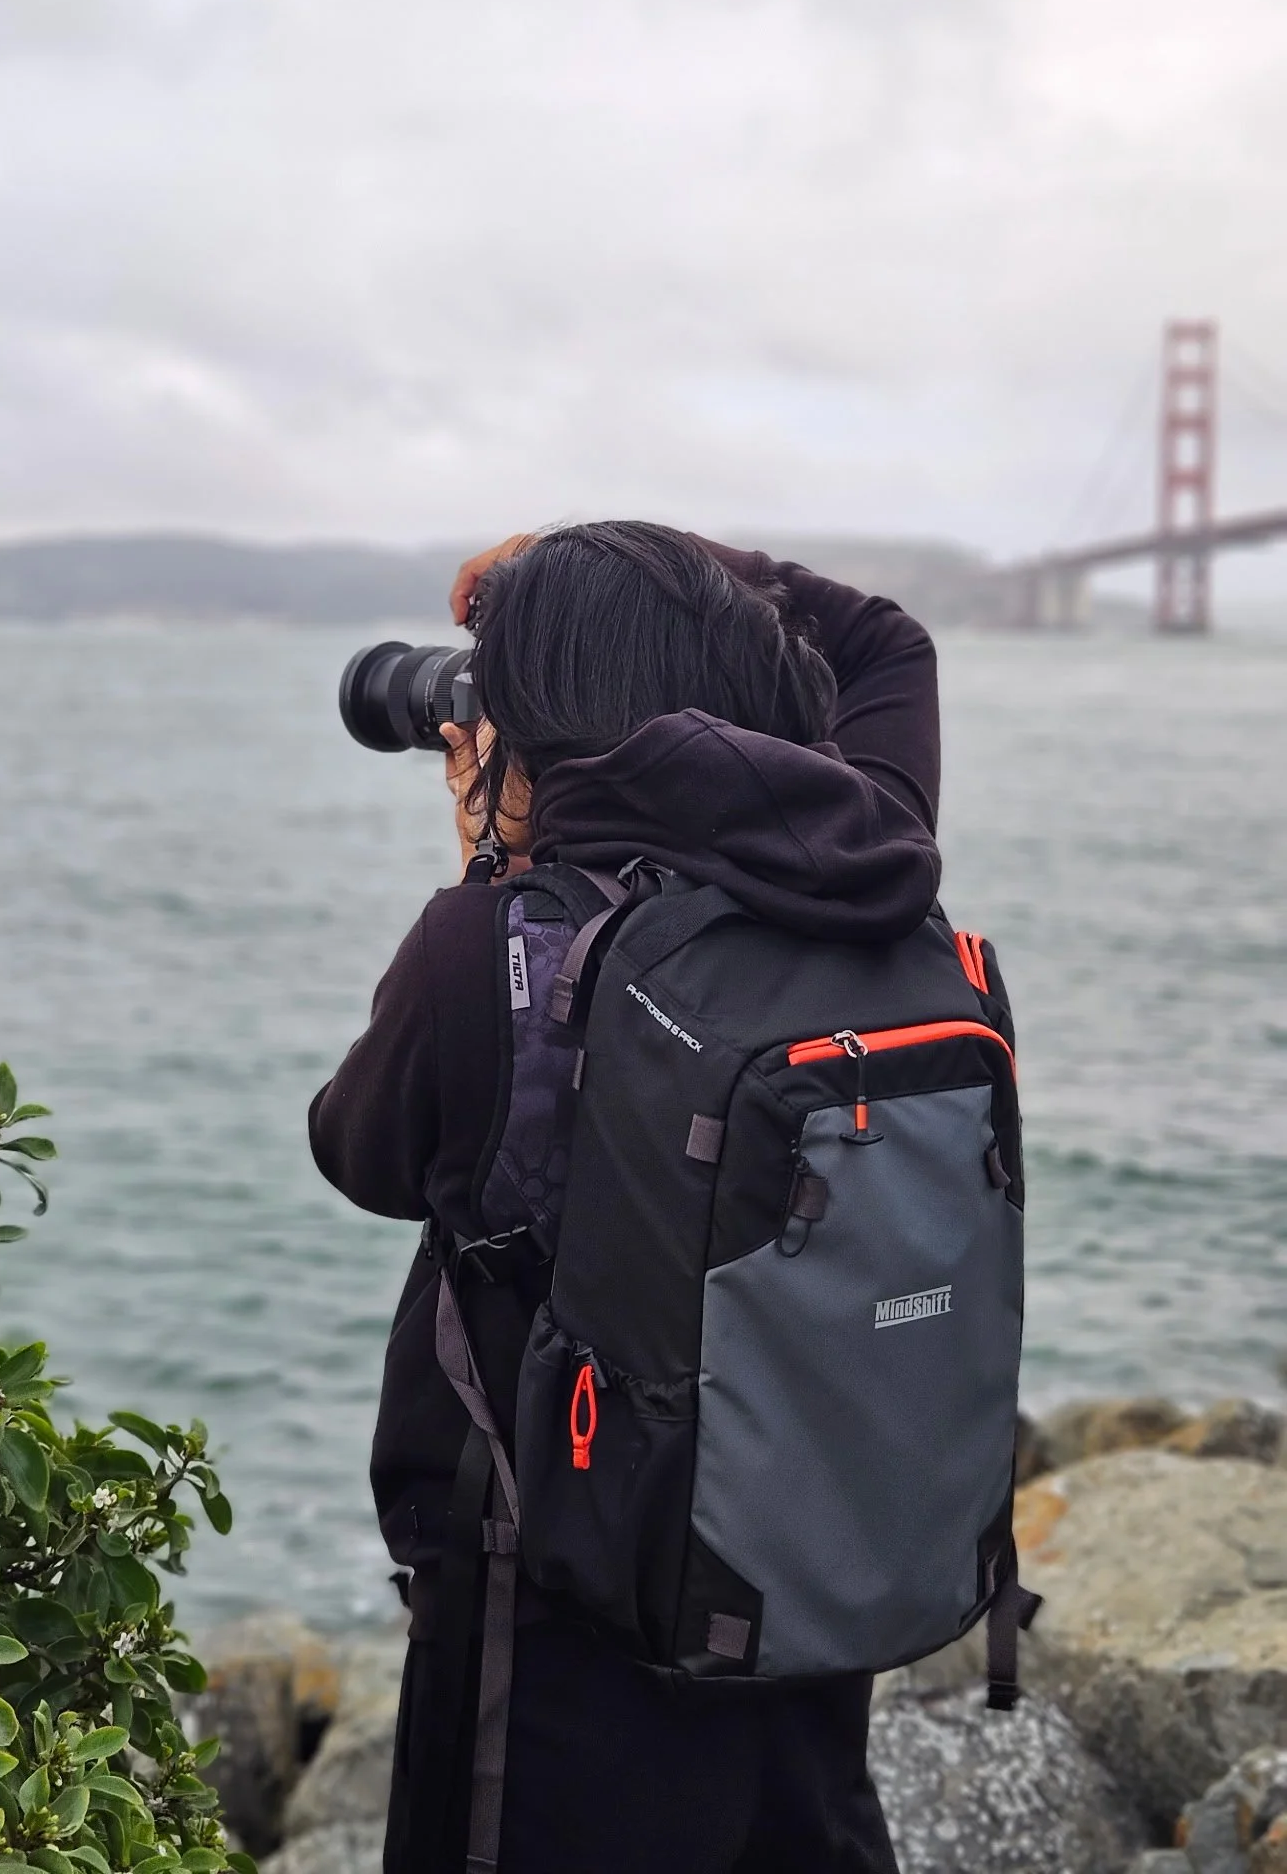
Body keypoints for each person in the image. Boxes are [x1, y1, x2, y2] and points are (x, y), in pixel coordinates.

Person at [309, 523, 943, 1873]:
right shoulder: (871, 864)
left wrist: (494, 869)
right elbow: (885, 639)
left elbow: (357, 1149)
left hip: (551, 1628)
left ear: (534, 737)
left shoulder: (493, 945)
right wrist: (658, 560)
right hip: (805, 1549)